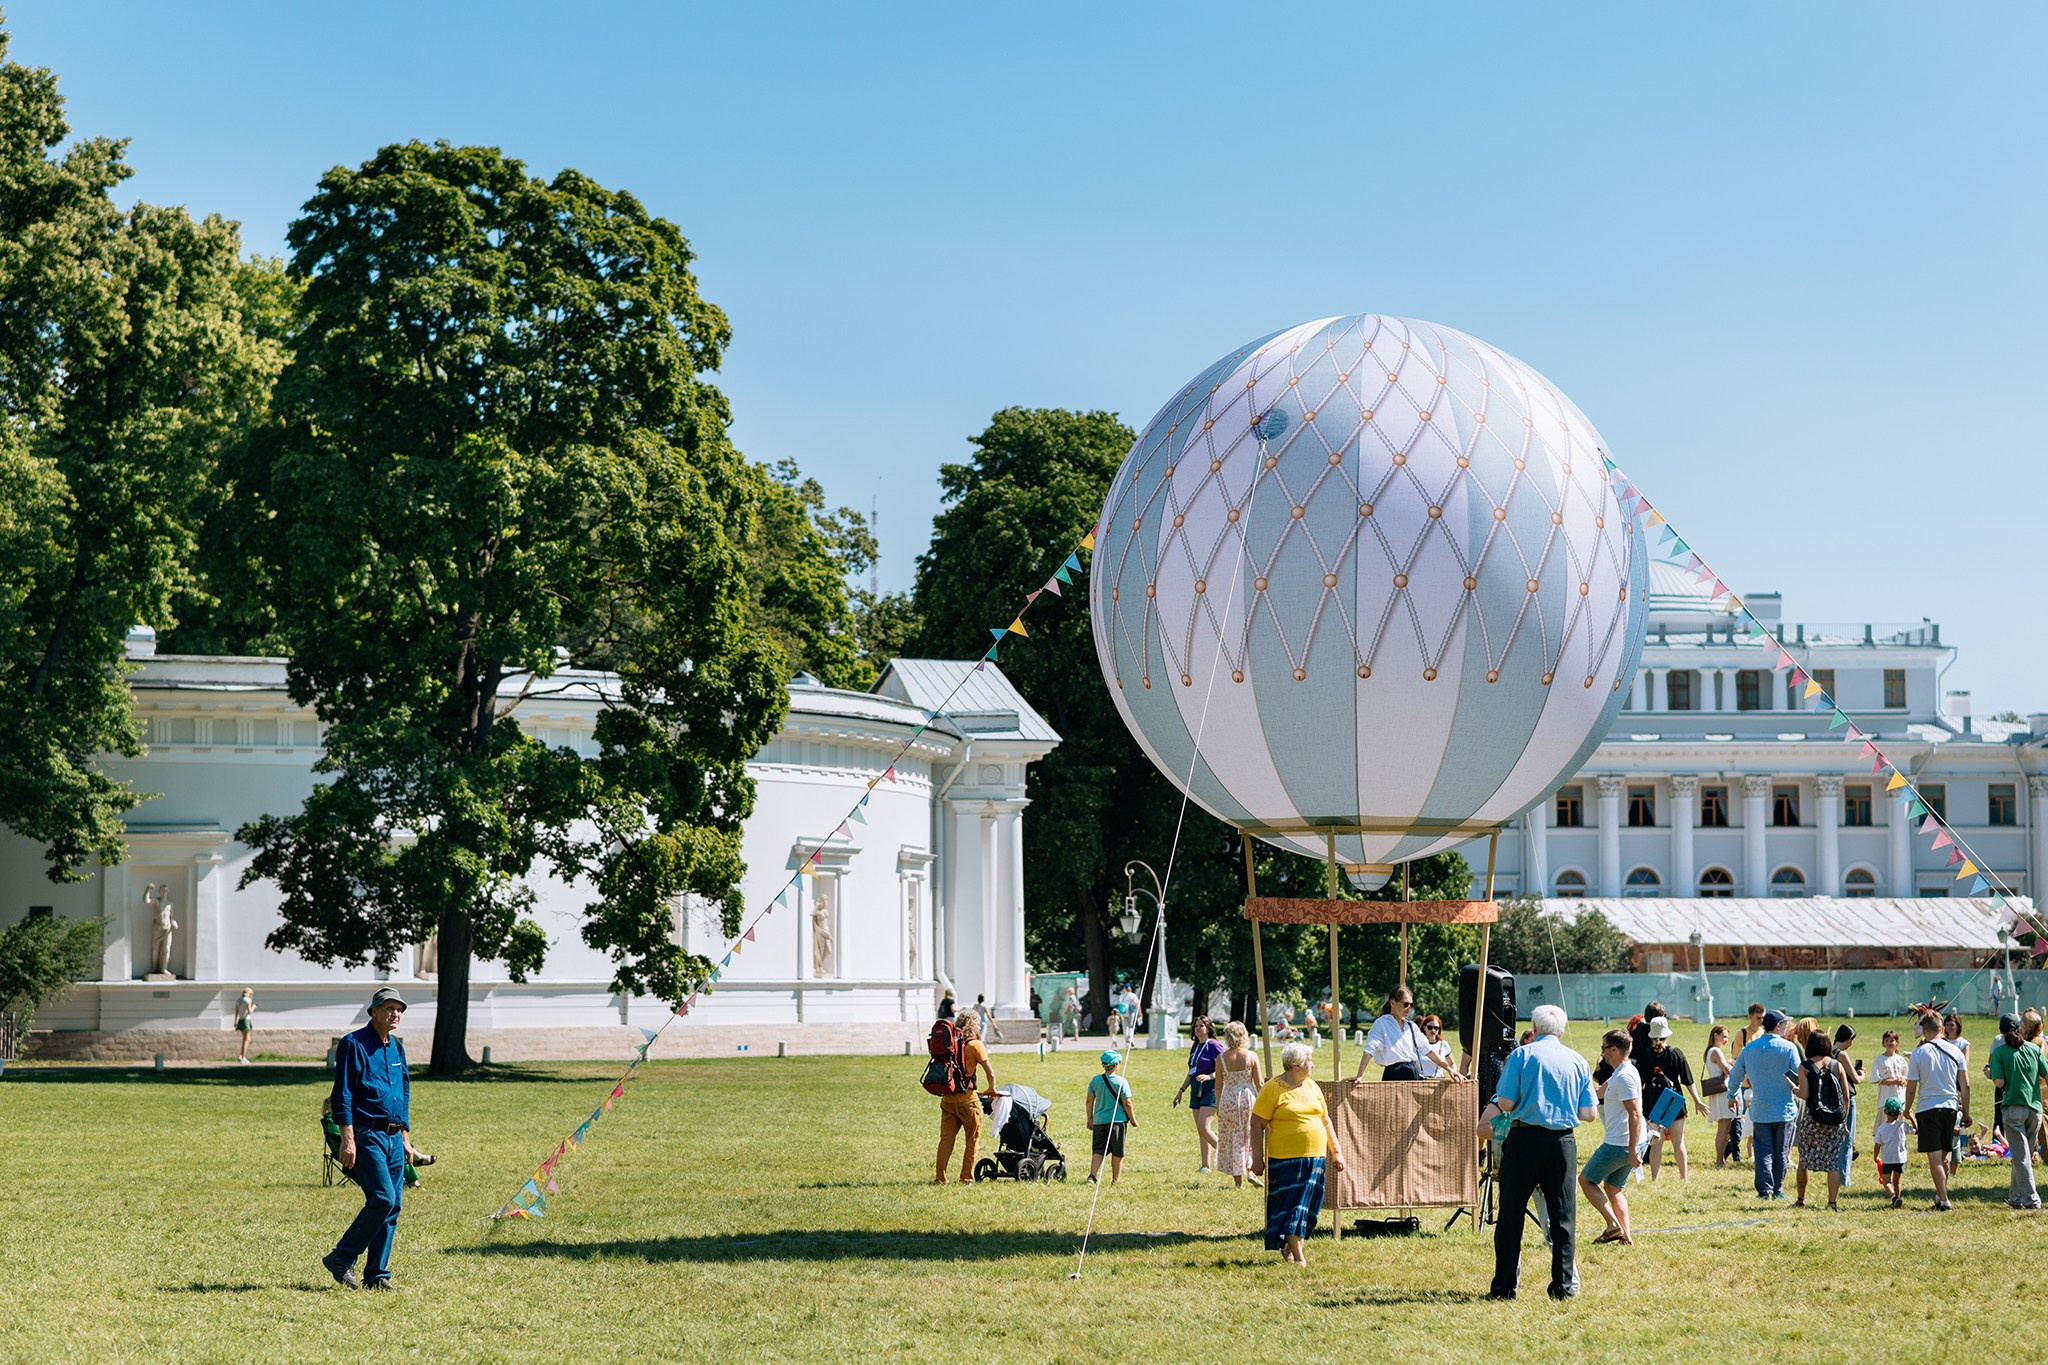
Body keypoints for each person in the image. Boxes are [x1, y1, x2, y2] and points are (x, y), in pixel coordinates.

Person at [1483, 1004, 1597, 1301]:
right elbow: (1588, 1114)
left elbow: (1505, 1103)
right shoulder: (1577, 1060)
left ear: (1534, 1028)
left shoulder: (1521, 1055)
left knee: (1510, 1214)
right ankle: (1563, 1286)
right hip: (1562, 1142)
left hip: (1524, 1138)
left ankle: (1505, 1286)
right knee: (1563, 1217)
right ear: (1561, 1029)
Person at [321, 987, 426, 1290]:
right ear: (374, 1012)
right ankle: (342, 1257)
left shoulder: (396, 1047)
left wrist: (405, 1138)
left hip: (394, 1137)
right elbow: (342, 1093)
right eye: (390, 1008)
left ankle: (377, 1275)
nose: (396, 1014)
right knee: (382, 1199)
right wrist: (347, 1139)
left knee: (393, 1208)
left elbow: (403, 1093)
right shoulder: (353, 1044)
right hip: (366, 1134)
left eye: (400, 1010)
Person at [1249, 1041, 1342, 1265]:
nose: (1312, 1064)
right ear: (1296, 1065)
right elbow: (1257, 1123)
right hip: (1285, 1160)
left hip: (1315, 1158)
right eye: (1309, 1060)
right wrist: (1258, 1159)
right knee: (1294, 1206)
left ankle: (1290, 1245)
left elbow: (1325, 1120)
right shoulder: (1272, 1088)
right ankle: (1299, 1257)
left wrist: (1336, 1152)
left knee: (1309, 1205)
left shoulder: (1312, 1086)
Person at [1723, 1009, 1801, 1199]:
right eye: (1785, 1024)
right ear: (1778, 1026)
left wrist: (1732, 1095)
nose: (1787, 1027)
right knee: (1781, 1152)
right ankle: (1777, 1190)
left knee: (1763, 1151)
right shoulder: (1789, 1048)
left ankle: (1764, 1190)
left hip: (1760, 1109)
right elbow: (1800, 1076)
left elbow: (1735, 1075)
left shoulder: (1750, 1048)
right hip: (1784, 1109)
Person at [1579, 1030, 1644, 1246]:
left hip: (1619, 1144)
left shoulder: (1624, 1076)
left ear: (1614, 1049)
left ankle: (1613, 1225)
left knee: (1586, 1180)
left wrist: (1634, 1149)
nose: (1602, 1053)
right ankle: (1626, 1236)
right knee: (1613, 1188)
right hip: (1627, 1143)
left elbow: (1634, 1113)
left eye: (1604, 1048)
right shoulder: (1622, 1072)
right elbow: (1598, 1092)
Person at [1904, 1010, 1970, 1212]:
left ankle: (1944, 1200)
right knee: (1943, 1157)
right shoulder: (1956, 1051)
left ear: (1924, 1030)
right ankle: (1939, 1196)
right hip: (1950, 1108)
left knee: (1934, 1159)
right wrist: (1966, 1113)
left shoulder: (1918, 1053)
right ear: (1942, 1029)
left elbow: (1911, 1087)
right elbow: (1965, 1085)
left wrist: (1907, 1109)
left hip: (1927, 1108)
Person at [1987, 1012, 2044, 1209]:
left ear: (2001, 1033)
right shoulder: (2034, 1049)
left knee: (2021, 1157)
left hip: (2013, 1110)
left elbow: (1999, 1082)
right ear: (2020, 1029)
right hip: (2034, 1110)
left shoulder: (2000, 1053)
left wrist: (1991, 1073)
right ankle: (2015, 1196)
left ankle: (2031, 1199)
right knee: (2023, 1155)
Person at [1636, 1017, 1705, 1180]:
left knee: (1655, 1144)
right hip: (1674, 1104)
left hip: (1653, 1105)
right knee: (1678, 1143)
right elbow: (1688, 1080)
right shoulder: (1676, 1053)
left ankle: (1654, 1178)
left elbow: (1639, 1084)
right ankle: (1684, 1178)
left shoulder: (1645, 1056)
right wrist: (1697, 1100)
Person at [1792, 1030, 1851, 1210]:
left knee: (1804, 1159)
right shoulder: (1837, 1065)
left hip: (1813, 1118)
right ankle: (1832, 1203)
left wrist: (1794, 1088)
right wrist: (1844, 1122)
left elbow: (1805, 1094)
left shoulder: (1805, 1066)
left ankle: (1801, 1200)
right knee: (1833, 1161)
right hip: (1834, 1120)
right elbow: (1846, 1097)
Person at [935, 1012, 995, 1185]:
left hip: (948, 1101)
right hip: (968, 1102)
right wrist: (991, 1089)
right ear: (974, 1026)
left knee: (946, 1141)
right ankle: (966, 1178)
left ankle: (940, 1178)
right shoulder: (975, 1045)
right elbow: (990, 1073)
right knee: (972, 1141)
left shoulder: (949, 1044)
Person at [1215, 1019, 1265, 1188]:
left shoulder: (1221, 1058)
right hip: (1247, 1097)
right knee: (1250, 1135)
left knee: (1234, 1138)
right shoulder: (1251, 1056)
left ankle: (1238, 1182)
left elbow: (1218, 1086)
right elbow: (1259, 1083)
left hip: (1228, 1098)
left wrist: (1218, 1106)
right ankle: (1250, 1170)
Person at [1174, 1016, 1224, 1172]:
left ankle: (1226, 1154)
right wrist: (1181, 1090)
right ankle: (1205, 1165)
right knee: (1200, 1129)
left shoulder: (1214, 1046)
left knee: (1204, 1127)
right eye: (1196, 1026)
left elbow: (1225, 1067)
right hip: (1196, 1089)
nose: (1198, 1028)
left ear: (1208, 1028)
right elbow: (1191, 1071)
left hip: (1210, 1088)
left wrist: (1210, 1076)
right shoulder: (1195, 1047)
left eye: (1202, 1025)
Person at [1356, 985, 1431, 1081]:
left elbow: (1428, 1049)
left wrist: (1449, 1069)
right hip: (1394, 1075)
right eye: (1406, 1004)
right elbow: (1370, 1048)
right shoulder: (1381, 1023)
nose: (1409, 1008)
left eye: (1411, 1005)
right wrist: (1360, 1075)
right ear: (1392, 1003)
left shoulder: (1411, 1026)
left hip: (1413, 1073)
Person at [1085, 1050, 1137, 1184]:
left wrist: (1089, 1119)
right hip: (1117, 1121)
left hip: (1099, 1121)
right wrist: (1133, 1120)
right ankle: (1116, 1180)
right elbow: (1127, 1103)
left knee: (1098, 1150)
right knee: (1117, 1151)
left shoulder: (1095, 1080)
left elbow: (1089, 1101)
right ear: (1115, 1064)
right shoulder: (1121, 1082)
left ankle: (1092, 1175)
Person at [1703, 1025, 1741, 1168]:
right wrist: (1734, 1064)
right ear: (1716, 1035)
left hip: (1719, 1091)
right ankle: (1720, 1160)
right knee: (1724, 1128)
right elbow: (1727, 1071)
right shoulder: (1716, 1051)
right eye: (1724, 1036)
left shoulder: (1710, 1051)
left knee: (1724, 1127)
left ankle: (1721, 1159)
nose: (1726, 1040)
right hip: (1722, 1091)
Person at [1830, 1024, 1860, 1189]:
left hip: (1833, 1098)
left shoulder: (1828, 1051)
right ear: (1849, 1039)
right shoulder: (1842, 1054)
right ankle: (1844, 1179)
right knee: (1847, 1140)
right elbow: (1855, 1079)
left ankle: (1837, 1175)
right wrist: (1860, 1073)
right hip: (1847, 1097)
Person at [1874, 1096, 1910, 1208]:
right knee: (1897, 1181)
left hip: (1887, 1159)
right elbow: (1917, 1130)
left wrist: (1875, 1157)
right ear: (1900, 1113)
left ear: (1885, 1112)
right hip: (1900, 1159)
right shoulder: (1903, 1126)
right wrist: (1911, 1117)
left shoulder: (1881, 1128)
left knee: (1886, 1182)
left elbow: (1877, 1145)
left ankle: (1894, 1198)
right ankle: (1896, 1201)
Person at [1415, 1014, 1467, 1081]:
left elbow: (1452, 1063)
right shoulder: (1417, 1044)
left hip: (1439, 1082)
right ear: (1424, 1027)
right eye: (1430, 1027)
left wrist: (1453, 1073)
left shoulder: (1443, 1044)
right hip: (1420, 1082)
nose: (1433, 1030)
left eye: (1436, 1028)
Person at [234, 987, 256, 1064]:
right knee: (247, 1039)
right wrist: (254, 1007)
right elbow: (249, 1011)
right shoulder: (248, 1000)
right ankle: (243, 1057)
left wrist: (235, 1022)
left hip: (240, 1020)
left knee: (245, 1038)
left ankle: (241, 1055)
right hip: (246, 1020)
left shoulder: (238, 1000)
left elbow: (236, 1012)